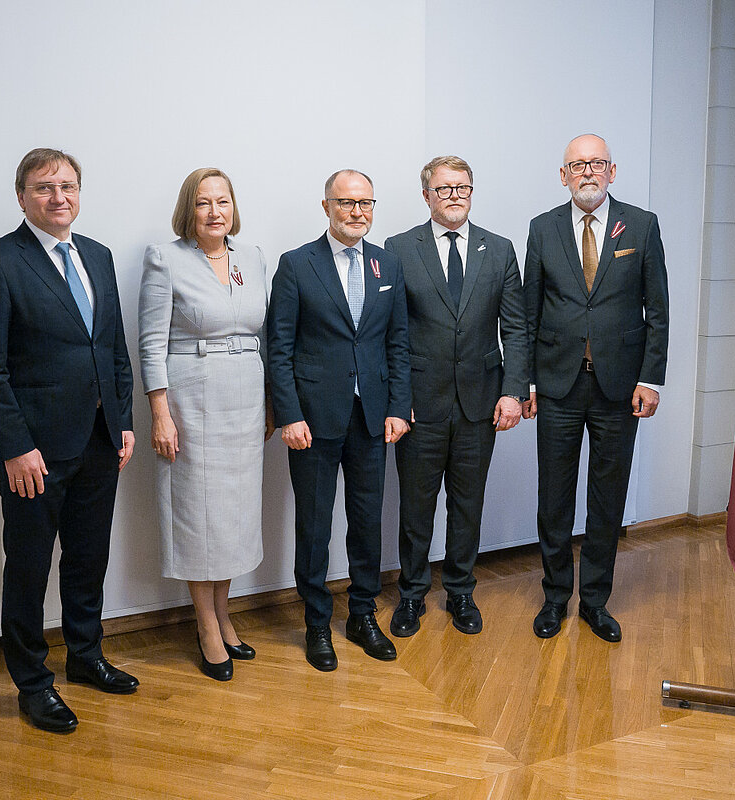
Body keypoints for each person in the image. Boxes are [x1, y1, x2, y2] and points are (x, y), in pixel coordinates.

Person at [0, 148, 139, 734]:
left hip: (99, 440)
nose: (58, 196)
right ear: (21, 197)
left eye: (67, 185)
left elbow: (113, 347)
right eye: (44, 187)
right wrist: (14, 445)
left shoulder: (98, 255)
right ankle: (33, 683)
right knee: (30, 568)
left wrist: (123, 421)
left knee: (89, 560)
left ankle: (85, 657)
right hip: (33, 452)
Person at [523, 134, 669, 643]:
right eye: (577, 165)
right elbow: (528, 313)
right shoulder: (541, 229)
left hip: (619, 389)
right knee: (554, 499)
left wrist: (651, 378)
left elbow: (658, 311)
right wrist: (527, 382)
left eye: (597, 163)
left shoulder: (643, 226)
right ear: (563, 175)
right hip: (558, 386)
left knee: (607, 499)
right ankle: (555, 598)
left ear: (612, 170)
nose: (587, 172)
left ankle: (595, 601)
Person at [266, 169, 411, 672]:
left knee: (367, 521)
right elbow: (279, 348)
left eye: (366, 203)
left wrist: (397, 406)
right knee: (314, 525)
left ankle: (363, 614)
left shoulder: (386, 263)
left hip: (372, 417)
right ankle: (315, 622)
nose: (357, 212)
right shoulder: (296, 265)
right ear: (326, 206)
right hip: (313, 419)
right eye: (346, 202)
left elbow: (397, 343)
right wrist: (288, 414)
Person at [384, 156, 528, 638]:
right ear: (426, 195)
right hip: (419, 405)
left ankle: (461, 592)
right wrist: (396, 399)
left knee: (468, 504)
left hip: (481, 403)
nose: (454, 197)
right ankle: (411, 595)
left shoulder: (500, 249)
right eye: (444, 189)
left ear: (472, 192)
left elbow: (517, 328)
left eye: (462, 188)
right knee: (416, 506)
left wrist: (513, 392)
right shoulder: (399, 249)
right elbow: (392, 333)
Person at [138, 168, 271, 682]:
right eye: (203, 203)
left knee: (234, 515)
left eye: (223, 201)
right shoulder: (165, 258)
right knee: (199, 513)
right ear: (187, 210)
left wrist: (271, 403)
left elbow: (265, 331)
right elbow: (151, 342)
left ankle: (224, 614)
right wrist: (160, 413)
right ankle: (206, 626)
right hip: (191, 400)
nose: (215, 212)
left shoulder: (252, 258)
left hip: (245, 398)